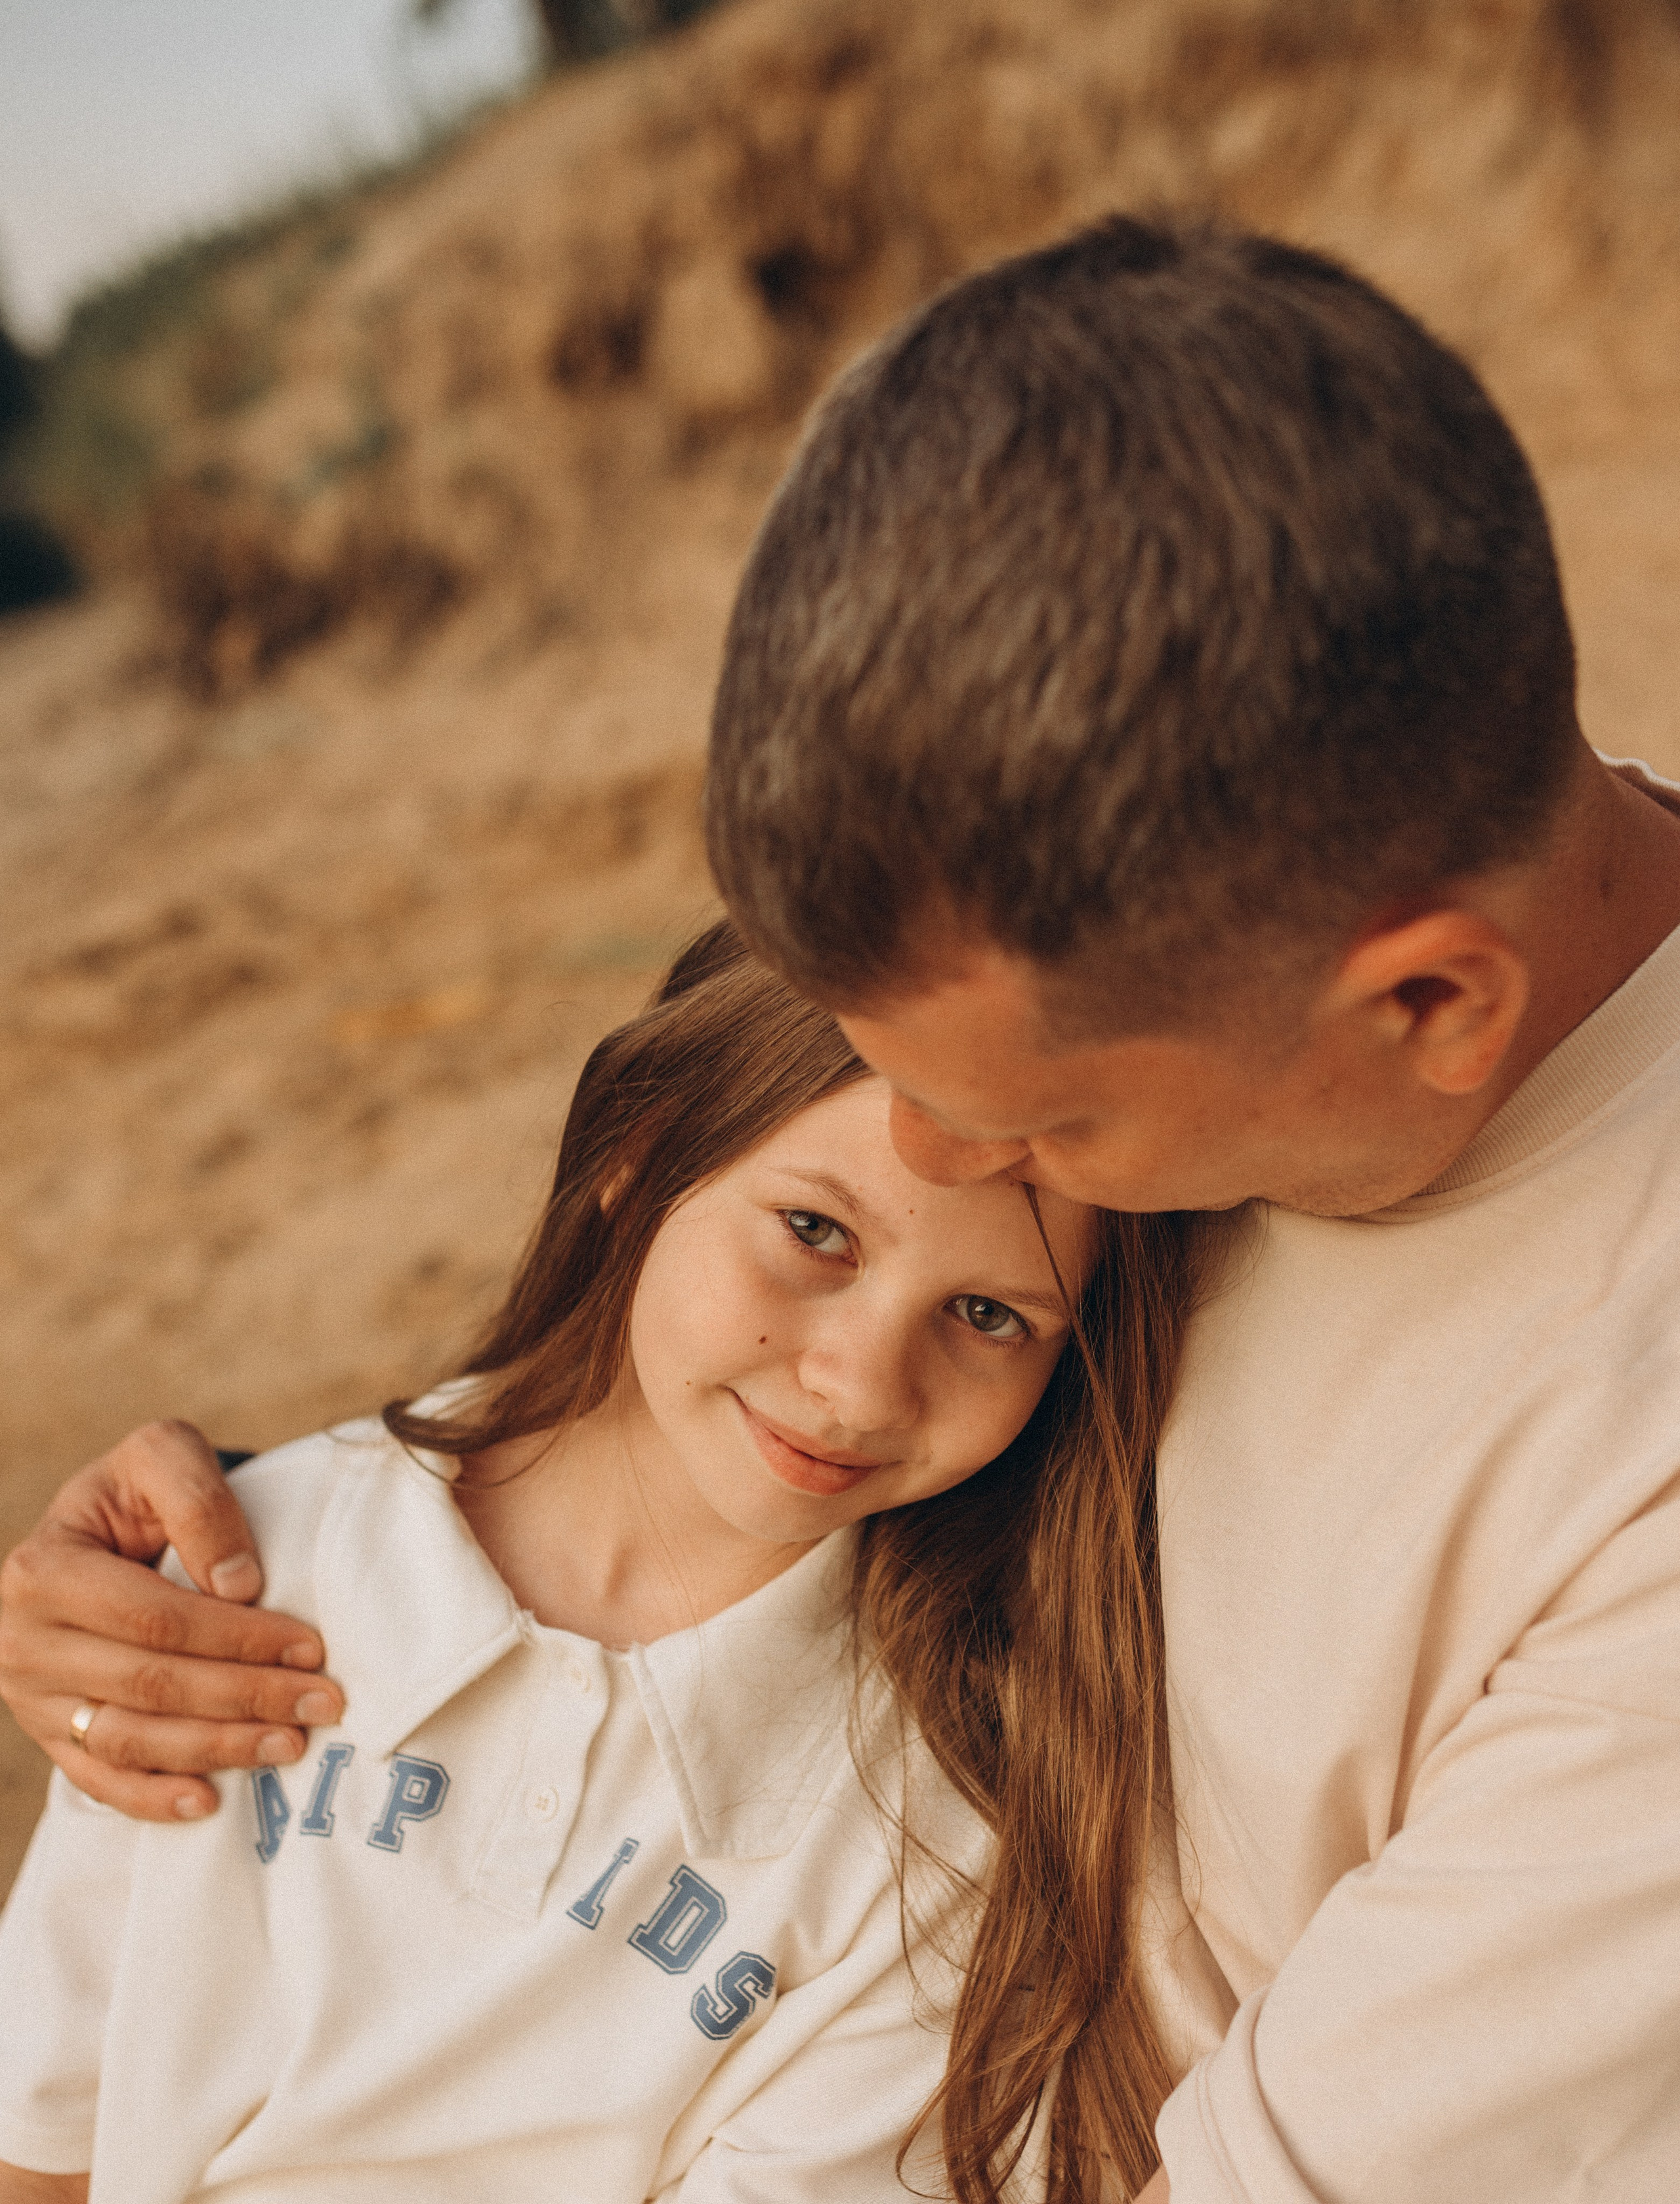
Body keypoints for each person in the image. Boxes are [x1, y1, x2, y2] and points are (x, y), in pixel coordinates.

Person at [5, 211, 1680, 2197]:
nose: (943, 1166)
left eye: (1032, 1126)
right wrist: (219, 1573)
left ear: (1426, 1007)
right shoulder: (1272, 926)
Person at [0, 922, 1206, 2203]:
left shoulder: (946, 1823)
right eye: (814, 1229)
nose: (858, 1386)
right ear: (637, 1152)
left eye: (987, 1313)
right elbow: (39, 2127)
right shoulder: (247, 1565)